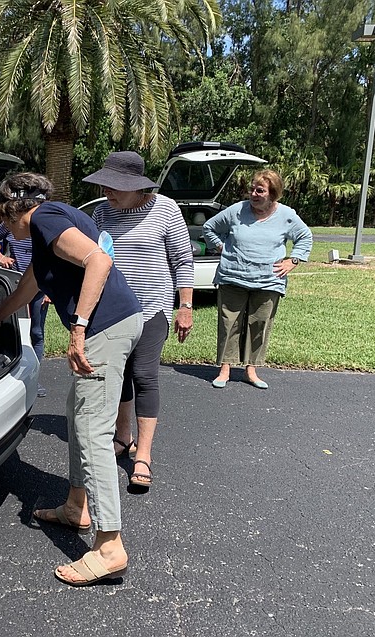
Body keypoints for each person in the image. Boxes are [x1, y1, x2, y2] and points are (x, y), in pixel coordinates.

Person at [0, 172, 143, 587]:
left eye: (3, 219)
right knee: (79, 415)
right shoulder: (52, 225)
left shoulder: (44, 219)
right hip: (118, 322)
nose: (4, 228)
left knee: (93, 431)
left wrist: (78, 327)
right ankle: (77, 506)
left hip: (103, 328)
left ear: (15, 207)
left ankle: (109, 546)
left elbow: (99, 261)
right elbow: (31, 285)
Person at [83, 151, 194, 492]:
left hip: (152, 309)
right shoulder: (102, 212)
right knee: (121, 375)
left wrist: (185, 305)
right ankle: (123, 435)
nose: (107, 192)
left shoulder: (165, 209)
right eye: (105, 185)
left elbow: (182, 258)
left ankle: (142, 454)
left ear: (137, 187)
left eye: (115, 186)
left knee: (144, 374)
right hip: (113, 311)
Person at [202, 169, 313, 389]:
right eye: (252, 188)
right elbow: (209, 227)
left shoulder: (287, 215)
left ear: (273, 194)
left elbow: (304, 236)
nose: (253, 193)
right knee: (229, 324)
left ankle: (251, 370)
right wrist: (219, 246)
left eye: (260, 190)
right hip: (232, 277)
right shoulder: (236, 211)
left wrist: (294, 260)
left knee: (259, 324)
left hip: (268, 280)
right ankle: (225, 368)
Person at [0, 223, 50, 397]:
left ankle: (34, 377)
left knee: (36, 333)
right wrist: (0, 256)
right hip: (15, 283)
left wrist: (51, 289)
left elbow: (55, 255)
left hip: (39, 286)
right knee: (15, 330)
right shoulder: (12, 222)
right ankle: (10, 374)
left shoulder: (44, 224)